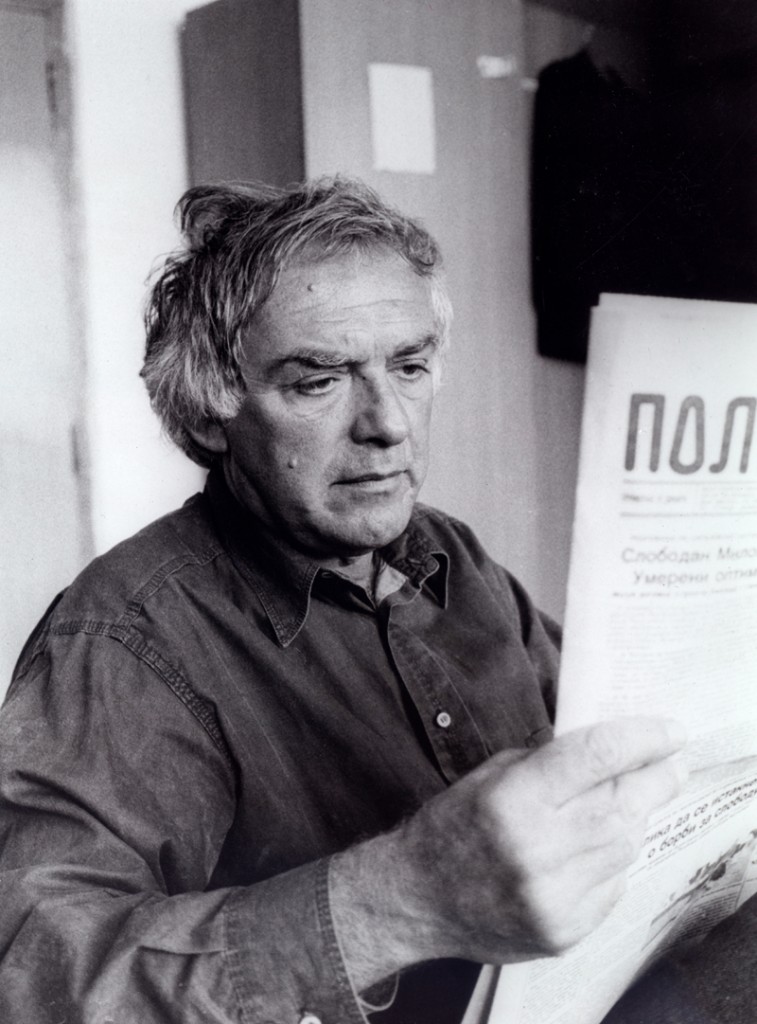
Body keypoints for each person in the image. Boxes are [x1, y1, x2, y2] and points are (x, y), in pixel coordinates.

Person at [0, 177, 690, 1024]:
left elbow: (594, 749)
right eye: (319, 381)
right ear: (211, 411)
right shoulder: (123, 638)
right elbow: (34, 982)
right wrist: (393, 903)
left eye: (409, 367)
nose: (388, 424)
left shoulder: (449, 554)